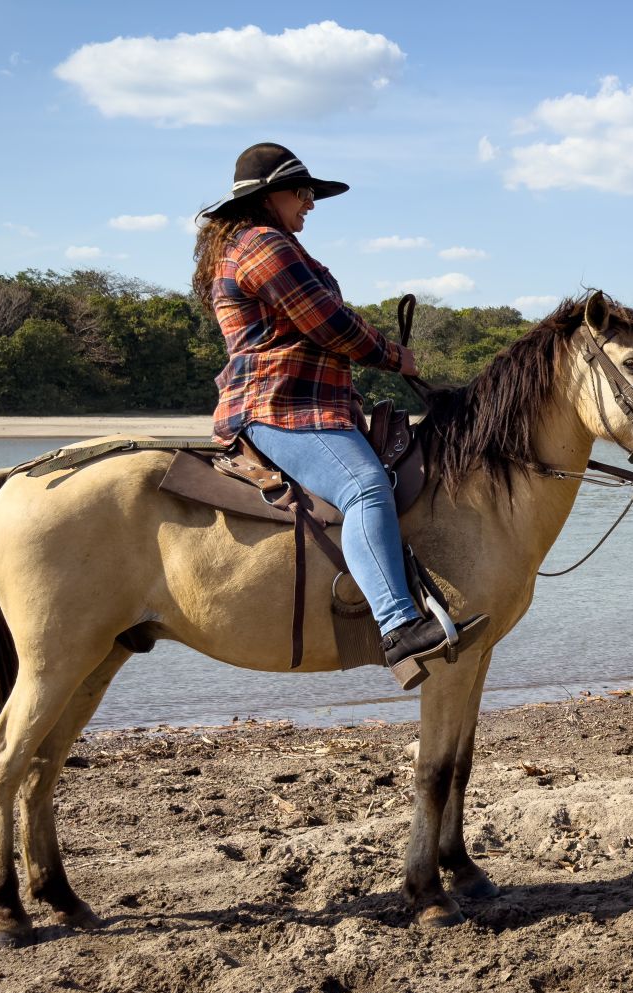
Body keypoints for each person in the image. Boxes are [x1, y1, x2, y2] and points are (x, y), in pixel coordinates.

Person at [192, 142, 485, 688]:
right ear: (268, 197)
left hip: (312, 404)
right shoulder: (261, 245)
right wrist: (395, 355)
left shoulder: (260, 244)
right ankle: (397, 626)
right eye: (302, 192)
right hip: (283, 406)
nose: (310, 203)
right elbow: (327, 323)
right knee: (366, 487)